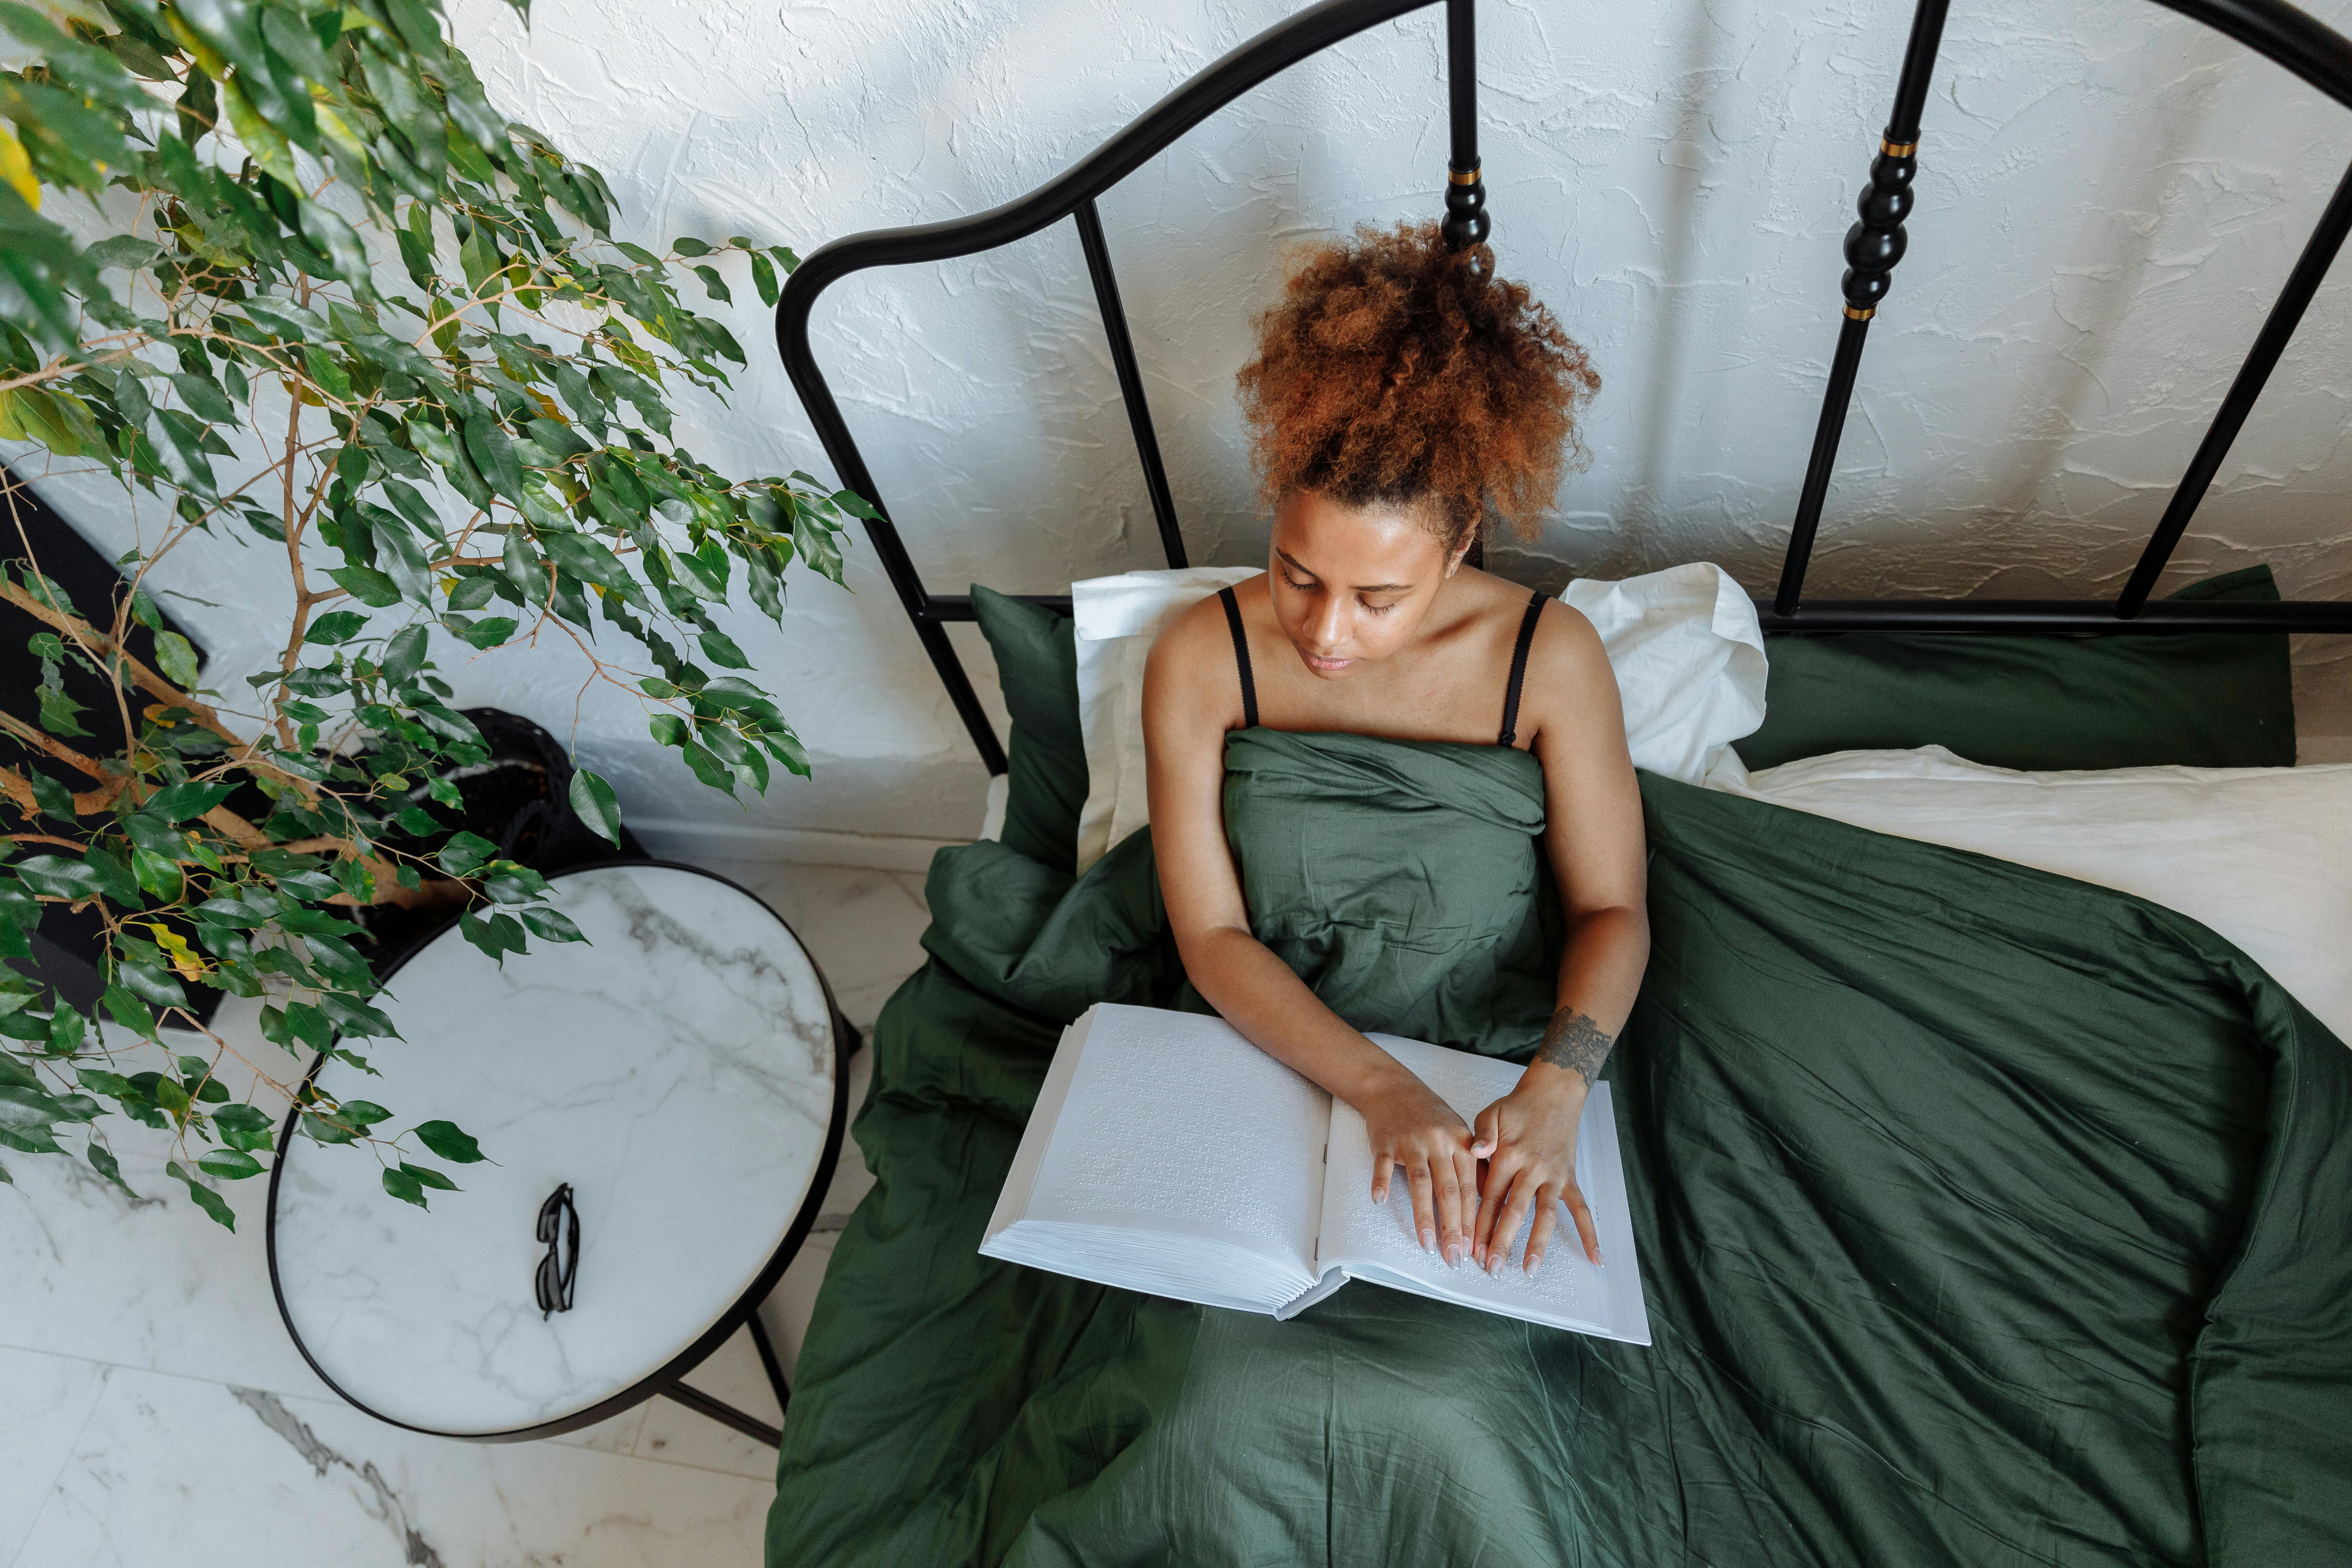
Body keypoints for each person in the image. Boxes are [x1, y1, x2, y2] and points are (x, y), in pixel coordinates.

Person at [1142, 221, 1647, 1280]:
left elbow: (1612, 912)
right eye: (1295, 574)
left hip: (1492, 1075)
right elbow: (1212, 938)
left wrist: (1558, 1087)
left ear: (1458, 545)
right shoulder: (1202, 658)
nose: (1326, 634)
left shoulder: (1549, 661)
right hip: (1267, 1046)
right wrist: (1377, 1090)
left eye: (1379, 599)